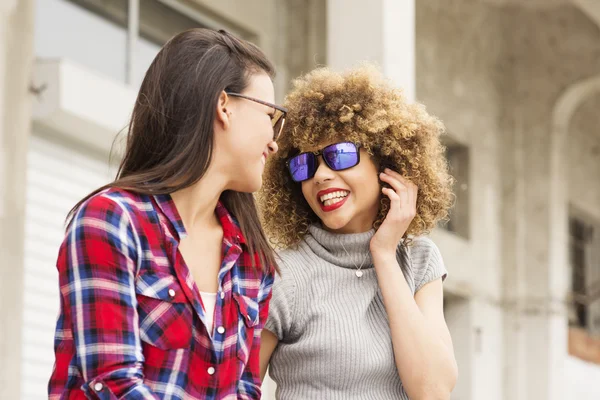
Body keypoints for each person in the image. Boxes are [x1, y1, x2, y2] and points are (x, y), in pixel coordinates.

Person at [48, 28, 286, 400]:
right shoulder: (113, 221)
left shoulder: (252, 259)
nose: (274, 141)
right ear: (224, 105)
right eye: (270, 116)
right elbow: (114, 384)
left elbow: (245, 390)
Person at [258, 65, 458, 400]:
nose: (320, 175)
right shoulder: (281, 272)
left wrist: (383, 254)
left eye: (339, 155)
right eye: (304, 164)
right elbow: (235, 390)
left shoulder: (419, 260)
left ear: (385, 163)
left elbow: (433, 391)